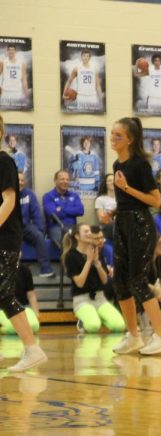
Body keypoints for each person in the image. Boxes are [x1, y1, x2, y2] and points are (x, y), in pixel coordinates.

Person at [107, 117, 161, 355]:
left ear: (130, 139)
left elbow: (155, 201)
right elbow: (125, 200)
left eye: (118, 135)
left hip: (140, 224)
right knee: (120, 282)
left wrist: (126, 189)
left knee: (137, 279)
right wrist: (112, 212)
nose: (113, 139)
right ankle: (133, 336)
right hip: (122, 222)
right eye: (112, 134)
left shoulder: (139, 165)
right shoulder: (117, 165)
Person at [0, 115, 47, 371]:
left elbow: (8, 201)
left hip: (5, 237)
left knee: (3, 293)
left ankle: (32, 349)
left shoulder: (4, 161)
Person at [62, 223, 125, 334]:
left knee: (119, 326)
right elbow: (80, 283)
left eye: (90, 231)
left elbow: (105, 280)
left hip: (100, 298)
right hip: (82, 300)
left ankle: (98, 316)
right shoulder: (71, 256)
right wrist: (88, 261)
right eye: (85, 231)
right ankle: (83, 321)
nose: (89, 233)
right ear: (77, 236)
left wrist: (96, 262)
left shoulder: (97, 251)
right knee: (93, 326)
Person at [18, 172, 53, 277]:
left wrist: (40, 231)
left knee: (38, 236)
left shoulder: (29, 194)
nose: (20, 183)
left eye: (22, 180)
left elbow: (36, 214)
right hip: (9, 229)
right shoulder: (6, 193)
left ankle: (45, 270)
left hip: (25, 227)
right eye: (18, 180)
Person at [42, 170, 84, 248]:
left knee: (84, 239)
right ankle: (67, 259)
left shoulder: (74, 195)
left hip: (72, 226)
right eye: (62, 179)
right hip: (56, 226)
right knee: (65, 243)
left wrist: (61, 209)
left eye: (67, 179)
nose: (65, 181)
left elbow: (80, 211)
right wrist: (71, 210)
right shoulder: (48, 196)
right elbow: (53, 214)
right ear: (55, 181)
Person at [0, 259, 40, 335]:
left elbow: (31, 295)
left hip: (22, 308)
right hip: (3, 309)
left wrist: (36, 316)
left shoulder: (24, 269)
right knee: (11, 327)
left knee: (34, 325)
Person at [0, 44, 30, 109]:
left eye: (13, 50)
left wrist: (26, 93)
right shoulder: (3, 62)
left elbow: (24, 79)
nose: (11, 51)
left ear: (15, 51)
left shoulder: (21, 63)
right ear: (7, 51)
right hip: (6, 92)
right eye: (10, 50)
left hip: (18, 92)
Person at [94, 173, 117, 239]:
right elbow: (101, 220)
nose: (112, 182)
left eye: (114, 180)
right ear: (105, 183)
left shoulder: (122, 199)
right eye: (109, 180)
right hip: (108, 229)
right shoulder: (100, 199)